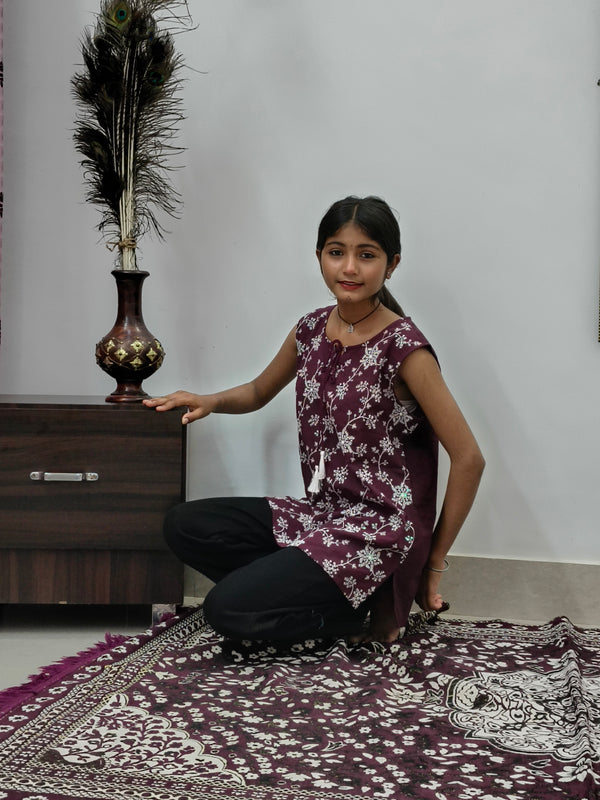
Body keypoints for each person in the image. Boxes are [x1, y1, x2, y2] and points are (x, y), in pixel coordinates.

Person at [144, 195, 484, 643]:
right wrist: (208, 400)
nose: (349, 269)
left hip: (378, 535)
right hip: (324, 516)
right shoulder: (310, 329)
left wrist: (433, 565)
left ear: (392, 263)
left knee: (225, 610)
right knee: (184, 525)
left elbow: (469, 458)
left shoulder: (404, 347)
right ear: (319, 256)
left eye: (367, 255)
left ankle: (345, 611)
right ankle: (328, 601)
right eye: (336, 252)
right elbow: (258, 390)